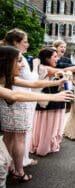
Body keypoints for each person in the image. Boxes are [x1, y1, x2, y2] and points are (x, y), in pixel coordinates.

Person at [0, 46, 71, 184]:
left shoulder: (8, 79)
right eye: (19, 61)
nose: (22, 65)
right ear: (7, 62)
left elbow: (33, 83)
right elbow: (15, 95)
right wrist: (55, 97)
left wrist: (57, 82)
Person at [1, 28, 39, 168]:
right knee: (20, 137)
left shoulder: (5, 54)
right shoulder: (18, 57)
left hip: (7, 99)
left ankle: (7, 165)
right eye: (25, 41)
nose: (27, 44)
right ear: (16, 42)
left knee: (8, 135)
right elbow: (30, 80)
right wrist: (35, 68)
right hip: (17, 100)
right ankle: (19, 169)